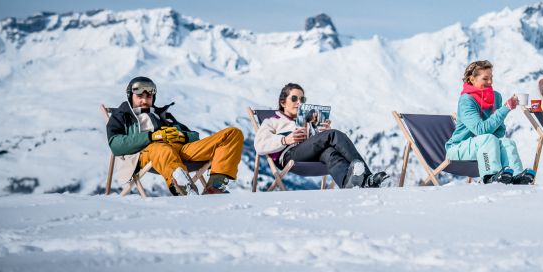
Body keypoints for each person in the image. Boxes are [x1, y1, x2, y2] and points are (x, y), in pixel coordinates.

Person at [106, 76, 244, 195]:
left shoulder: (163, 115)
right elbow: (116, 145)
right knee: (162, 148)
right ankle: (183, 187)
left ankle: (215, 186)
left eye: (148, 96)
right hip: (148, 153)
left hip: (180, 150)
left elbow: (194, 136)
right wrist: (152, 137)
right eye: (139, 96)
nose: (144, 100)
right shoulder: (121, 116)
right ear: (130, 96)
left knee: (232, 134)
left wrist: (182, 137)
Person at [254, 82, 390, 188]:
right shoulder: (272, 121)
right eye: (294, 98)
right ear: (283, 102)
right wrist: (285, 139)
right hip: (290, 155)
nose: (299, 102)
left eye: (302, 99)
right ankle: (368, 178)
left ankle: (348, 184)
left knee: (330, 153)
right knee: (333, 135)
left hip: (309, 152)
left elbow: (313, 143)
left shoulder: (305, 121)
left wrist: (320, 132)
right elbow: (259, 145)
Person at [445, 60, 535, 185]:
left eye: (491, 78)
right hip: (459, 148)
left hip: (484, 146)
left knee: (507, 143)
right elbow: (480, 130)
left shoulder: (495, 97)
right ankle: (489, 176)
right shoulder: (466, 100)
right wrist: (505, 108)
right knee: (488, 138)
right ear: (472, 79)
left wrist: (496, 117)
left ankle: (516, 176)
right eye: (485, 79)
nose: (490, 82)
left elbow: (500, 132)